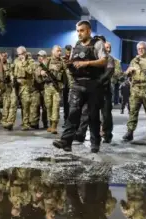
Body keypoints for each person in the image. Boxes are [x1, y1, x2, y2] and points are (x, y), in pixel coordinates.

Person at [52, 20, 107, 153]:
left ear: (88, 31)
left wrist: (86, 63)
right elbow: (73, 64)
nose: (79, 33)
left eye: (81, 30)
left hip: (93, 84)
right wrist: (69, 63)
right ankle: (66, 141)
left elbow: (103, 61)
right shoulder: (76, 45)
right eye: (77, 31)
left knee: (93, 115)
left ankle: (95, 143)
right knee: (73, 113)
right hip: (77, 84)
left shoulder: (97, 44)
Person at [41, 46, 67, 134]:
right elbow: (38, 70)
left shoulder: (62, 62)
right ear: (52, 51)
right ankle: (50, 124)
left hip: (57, 87)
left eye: (60, 51)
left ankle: (54, 125)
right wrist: (41, 72)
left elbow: (67, 73)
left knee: (56, 106)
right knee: (48, 106)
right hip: (48, 87)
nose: (59, 52)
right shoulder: (47, 60)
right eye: (57, 51)